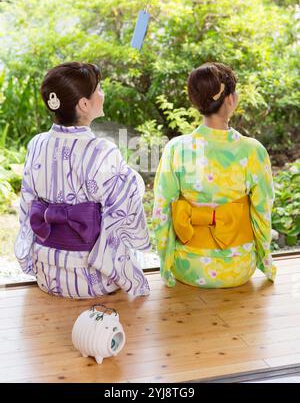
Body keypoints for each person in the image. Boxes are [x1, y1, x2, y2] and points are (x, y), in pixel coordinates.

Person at [14, 61, 151, 298]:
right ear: (84, 104)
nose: (102, 94)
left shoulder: (36, 144)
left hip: (47, 273)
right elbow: (127, 204)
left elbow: (27, 205)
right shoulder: (102, 150)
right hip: (93, 279)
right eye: (98, 89)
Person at [152, 62, 276, 288]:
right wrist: (266, 262)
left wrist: (166, 262)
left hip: (187, 266)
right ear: (229, 99)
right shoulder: (252, 150)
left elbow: (161, 212)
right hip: (237, 269)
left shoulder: (176, 148)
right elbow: (262, 211)